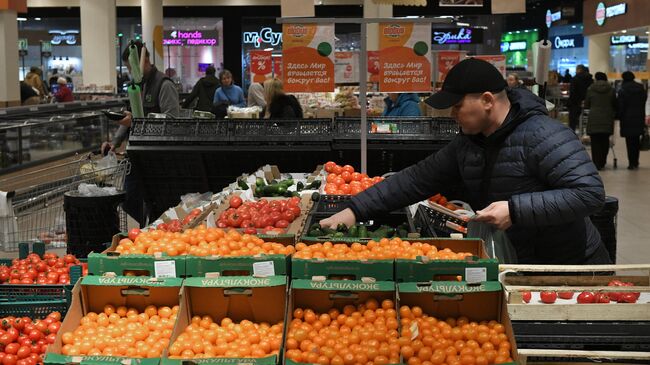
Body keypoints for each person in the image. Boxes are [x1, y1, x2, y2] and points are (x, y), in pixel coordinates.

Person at [320, 58, 610, 265]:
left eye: (458, 106)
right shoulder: (470, 142)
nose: (452, 114)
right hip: (518, 263)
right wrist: (354, 210)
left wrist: (516, 210)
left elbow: (589, 193)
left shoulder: (544, 135)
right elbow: (417, 179)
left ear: (487, 100)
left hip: (569, 266)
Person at [102, 41, 180, 227]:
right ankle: (149, 228)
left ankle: (155, 230)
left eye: (131, 67)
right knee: (129, 199)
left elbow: (172, 120)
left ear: (144, 61)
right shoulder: (136, 86)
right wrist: (115, 142)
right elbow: (129, 116)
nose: (130, 72)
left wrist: (139, 120)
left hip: (159, 156)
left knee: (157, 203)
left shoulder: (164, 84)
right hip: (137, 153)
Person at [584, 72, 616, 170]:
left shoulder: (590, 89)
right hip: (607, 117)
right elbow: (614, 103)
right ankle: (602, 162)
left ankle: (596, 163)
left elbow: (587, 104)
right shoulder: (611, 89)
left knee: (595, 142)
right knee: (605, 141)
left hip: (594, 117)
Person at [617, 71, 648, 170]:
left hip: (627, 119)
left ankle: (631, 163)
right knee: (636, 140)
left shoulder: (623, 90)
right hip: (639, 117)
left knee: (629, 142)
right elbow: (644, 102)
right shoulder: (641, 88)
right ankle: (636, 161)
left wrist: (618, 116)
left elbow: (621, 106)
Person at [568, 64, 593, 132]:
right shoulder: (590, 79)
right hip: (587, 103)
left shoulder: (575, 79)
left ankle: (572, 135)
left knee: (573, 122)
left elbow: (572, 92)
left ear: (579, 70)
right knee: (585, 120)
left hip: (575, 103)